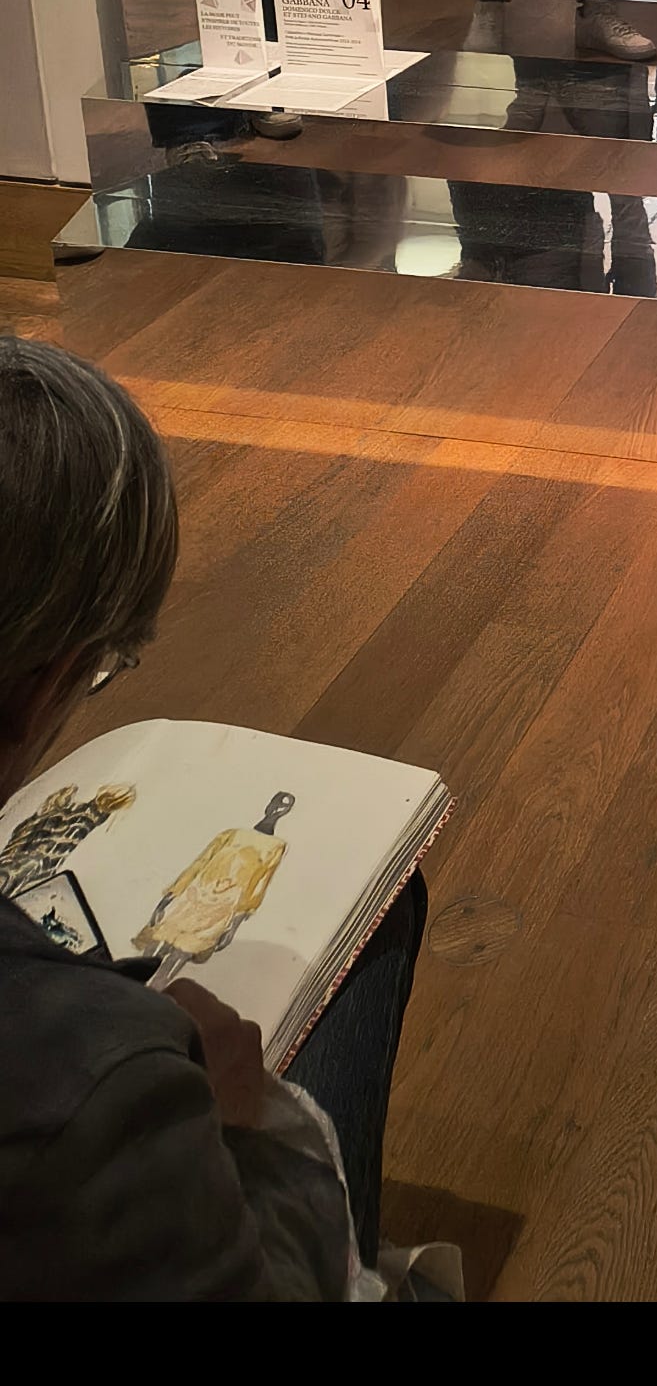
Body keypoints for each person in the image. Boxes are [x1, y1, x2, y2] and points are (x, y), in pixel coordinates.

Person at [0, 335, 428, 1300]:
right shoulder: (92, 1095)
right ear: (44, 682)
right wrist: (241, 1130)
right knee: (377, 908)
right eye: (100, 667)